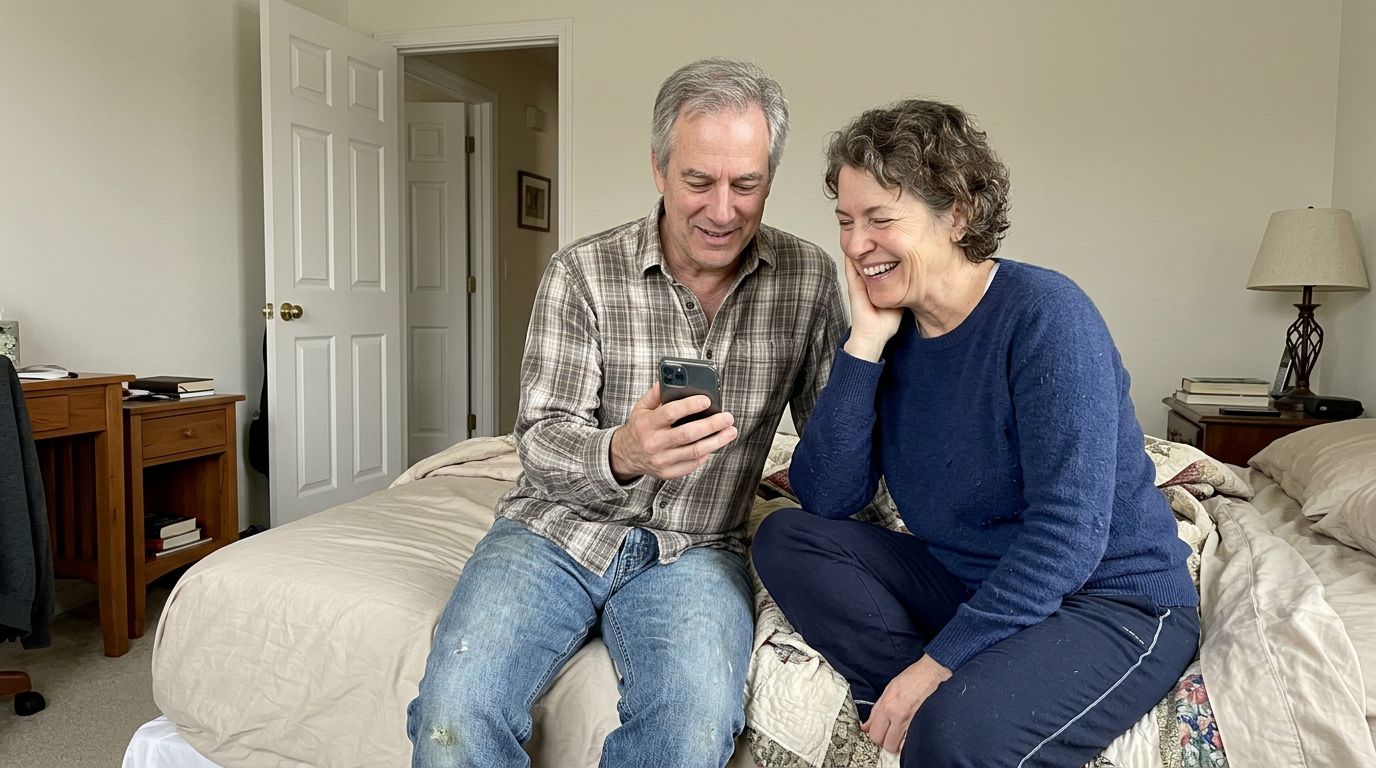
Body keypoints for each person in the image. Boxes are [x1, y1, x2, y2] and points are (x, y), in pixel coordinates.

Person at [407, 57, 845, 768]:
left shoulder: (809, 277)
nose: (723, 210)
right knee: (455, 712)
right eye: (698, 181)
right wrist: (622, 453)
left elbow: (837, 439)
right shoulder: (582, 271)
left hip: (697, 548)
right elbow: (539, 438)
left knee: (695, 729)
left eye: (747, 184)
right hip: (555, 533)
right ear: (659, 169)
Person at [751, 99, 1200, 767]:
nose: (854, 245)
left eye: (879, 219)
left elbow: (1069, 537)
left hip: (1109, 600)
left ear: (957, 212)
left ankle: (937, 706)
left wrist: (939, 663)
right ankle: (919, 696)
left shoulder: (1047, 316)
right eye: (845, 222)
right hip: (970, 581)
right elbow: (828, 497)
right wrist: (865, 344)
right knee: (786, 537)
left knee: (957, 736)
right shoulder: (889, 329)